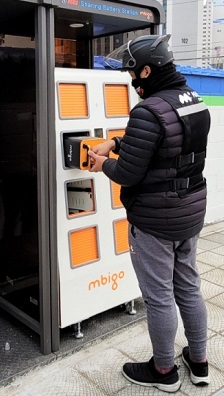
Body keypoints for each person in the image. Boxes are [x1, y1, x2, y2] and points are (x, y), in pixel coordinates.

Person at [88, 35, 211, 392]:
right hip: (190, 210)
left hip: (156, 219)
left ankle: (163, 371)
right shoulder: (193, 100)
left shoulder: (148, 109)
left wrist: (102, 163)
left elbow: (128, 173)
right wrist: (115, 142)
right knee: (188, 287)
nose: (132, 81)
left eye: (133, 73)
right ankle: (199, 362)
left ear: (147, 70)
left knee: (158, 297)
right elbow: (167, 146)